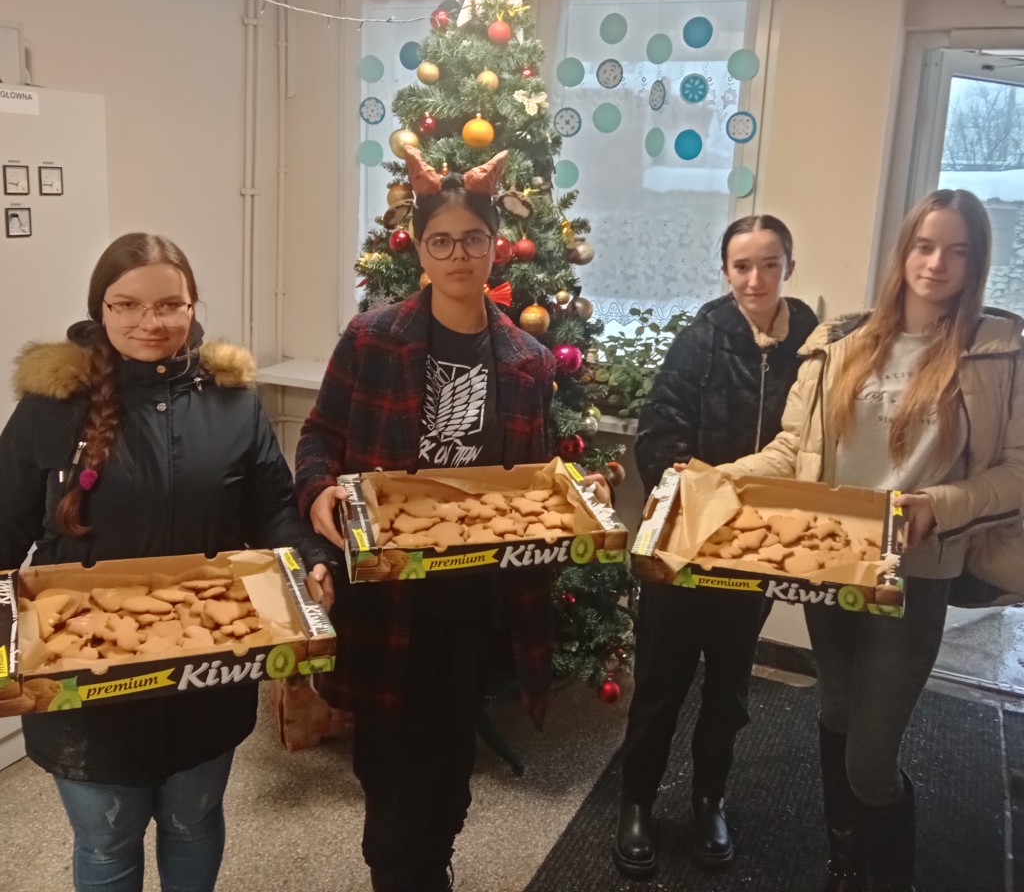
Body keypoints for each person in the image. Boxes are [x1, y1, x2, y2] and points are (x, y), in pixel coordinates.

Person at [295, 147, 608, 892]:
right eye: (442, 240)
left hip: (477, 604)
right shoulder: (372, 339)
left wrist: (574, 495)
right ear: (420, 249)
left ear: (495, 246)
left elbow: (531, 481)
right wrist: (318, 494)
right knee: (392, 783)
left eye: (473, 239)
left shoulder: (528, 360)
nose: (459, 254)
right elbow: (319, 437)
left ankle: (432, 867)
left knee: (450, 776)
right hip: (390, 599)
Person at [715, 189, 1024, 892]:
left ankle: (888, 878)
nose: (936, 264)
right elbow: (792, 450)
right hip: (831, 560)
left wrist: (940, 504)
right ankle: (845, 863)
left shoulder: (998, 352)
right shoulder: (838, 343)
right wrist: (711, 479)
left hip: (915, 573)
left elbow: (1016, 473)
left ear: (976, 262)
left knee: (870, 759)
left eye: (957, 251)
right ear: (903, 251)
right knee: (835, 710)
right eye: (925, 246)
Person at [0, 232, 322, 892]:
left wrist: (306, 565)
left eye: (169, 304)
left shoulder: (232, 403)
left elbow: (273, 509)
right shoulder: (50, 408)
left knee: (193, 821)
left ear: (192, 305)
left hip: (208, 663)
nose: (150, 322)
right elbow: (3, 526)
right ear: (100, 309)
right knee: (107, 841)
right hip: (86, 671)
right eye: (127, 305)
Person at [613, 215, 817, 878]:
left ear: (789, 267)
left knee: (728, 689)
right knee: (661, 682)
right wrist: (695, 490)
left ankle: (709, 800)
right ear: (725, 270)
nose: (755, 279)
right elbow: (659, 435)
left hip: (756, 547)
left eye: (769, 264)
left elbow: (813, 442)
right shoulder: (700, 338)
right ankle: (637, 802)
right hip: (686, 541)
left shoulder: (812, 343)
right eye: (741, 266)